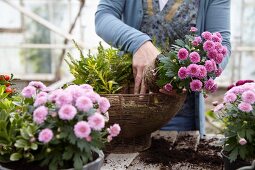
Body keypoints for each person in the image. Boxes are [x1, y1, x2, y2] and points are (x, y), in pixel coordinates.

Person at [95, 0, 231, 135]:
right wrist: (139, 43)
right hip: (128, 107)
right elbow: (104, 16)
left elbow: (221, 43)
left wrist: (194, 78)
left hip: (179, 116)